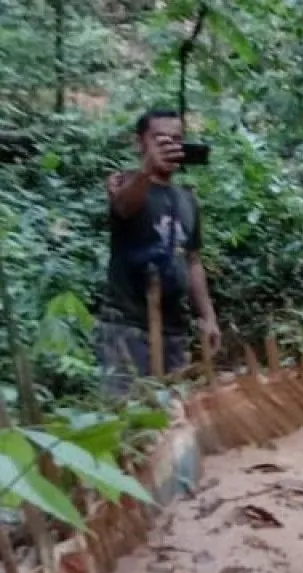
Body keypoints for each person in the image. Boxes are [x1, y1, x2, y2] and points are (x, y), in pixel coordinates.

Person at [96, 108, 220, 397]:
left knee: (173, 416)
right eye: (159, 139)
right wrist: (146, 169)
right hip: (127, 327)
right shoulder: (125, 183)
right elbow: (125, 207)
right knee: (126, 418)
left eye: (175, 139)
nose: (169, 145)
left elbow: (192, 261)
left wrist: (208, 317)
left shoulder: (186, 199)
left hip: (173, 330)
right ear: (141, 142)